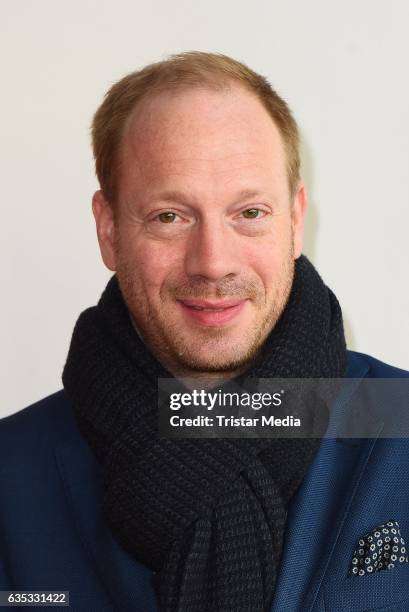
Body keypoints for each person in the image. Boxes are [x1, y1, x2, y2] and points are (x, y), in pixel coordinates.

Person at [1, 51, 408, 612]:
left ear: (295, 221)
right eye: (171, 216)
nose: (213, 263)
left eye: (250, 213)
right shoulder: (11, 470)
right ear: (109, 229)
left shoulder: (402, 427)